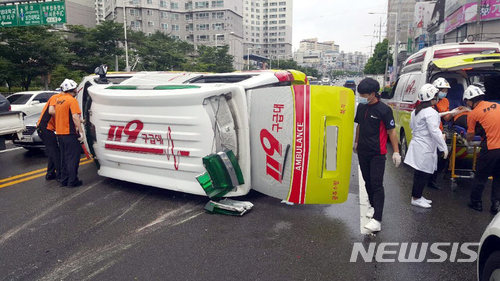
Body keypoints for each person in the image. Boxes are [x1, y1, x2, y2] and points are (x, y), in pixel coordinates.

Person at [354, 77, 401, 232]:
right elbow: (360, 125)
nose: (361, 97)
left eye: (364, 94)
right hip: (363, 150)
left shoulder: (384, 110)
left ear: (373, 94)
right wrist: (356, 142)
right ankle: (373, 207)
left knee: (376, 183)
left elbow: (391, 131)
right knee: (367, 181)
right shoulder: (361, 107)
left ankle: (377, 219)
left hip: (377, 153)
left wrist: (396, 152)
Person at [404, 84, 449, 208]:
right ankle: (416, 198)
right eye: (436, 95)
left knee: (419, 173)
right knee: (423, 174)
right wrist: (444, 147)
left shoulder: (417, 111)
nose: (437, 98)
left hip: (418, 145)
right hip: (425, 147)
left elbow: (413, 126)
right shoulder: (431, 112)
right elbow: (434, 131)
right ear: (432, 97)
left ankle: (417, 196)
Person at [463, 85, 500, 213]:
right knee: (498, 177)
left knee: (480, 177)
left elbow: (470, 135)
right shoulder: (496, 105)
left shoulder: (473, 114)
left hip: (490, 148)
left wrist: (466, 138)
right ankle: (496, 204)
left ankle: (476, 203)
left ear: (470, 100)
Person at [49, 79, 84, 187]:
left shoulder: (59, 100)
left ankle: (64, 180)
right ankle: (72, 181)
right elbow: (74, 117)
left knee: (64, 158)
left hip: (60, 133)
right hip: (69, 133)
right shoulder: (72, 100)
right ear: (73, 89)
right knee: (73, 158)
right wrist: (81, 131)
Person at [37, 92, 62, 181]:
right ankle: (60, 175)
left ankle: (50, 173)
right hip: (45, 128)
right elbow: (51, 111)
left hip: (47, 129)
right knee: (55, 152)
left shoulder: (62, 99)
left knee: (53, 151)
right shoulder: (56, 97)